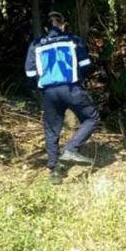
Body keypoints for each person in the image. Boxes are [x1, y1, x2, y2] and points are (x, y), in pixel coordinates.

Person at [24, 11, 100, 184]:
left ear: (45, 28)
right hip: (71, 89)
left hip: (49, 92)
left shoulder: (36, 44)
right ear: (64, 24)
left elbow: (29, 73)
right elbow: (86, 65)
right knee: (92, 118)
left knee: (51, 130)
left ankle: (55, 172)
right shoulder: (72, 40)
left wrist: (41, 83)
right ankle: (71, 148)